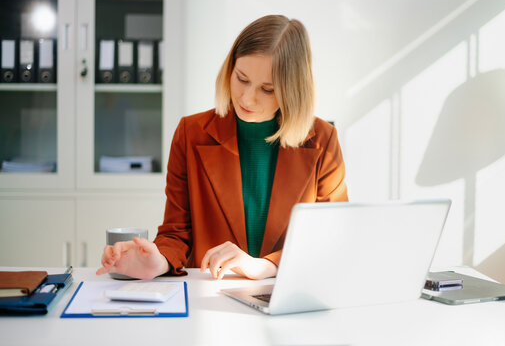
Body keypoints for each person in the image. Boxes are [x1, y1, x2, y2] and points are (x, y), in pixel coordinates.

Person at [96, 15, 348, 281]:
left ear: (294, 91)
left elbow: (330, 240)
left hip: (288, 293)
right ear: (230, 69)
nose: (247, 97)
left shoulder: (323, 140)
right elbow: (176, 233)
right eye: (241, 78)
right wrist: (159, 261)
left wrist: (266, 266)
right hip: (210, 297)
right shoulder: (190, 133)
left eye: (267, 89)